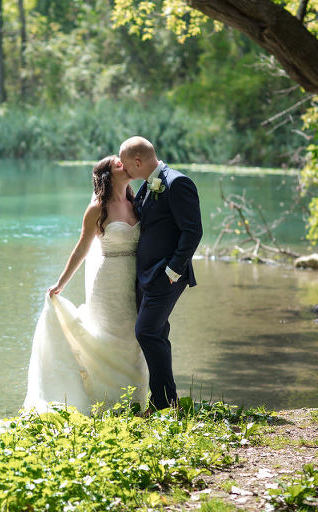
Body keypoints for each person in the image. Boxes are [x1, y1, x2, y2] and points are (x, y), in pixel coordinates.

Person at [23, 155, 149, 414]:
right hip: (108, 281)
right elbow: (82, 248)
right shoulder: (97, 208)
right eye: (118, 163)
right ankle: (105, 399)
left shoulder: (137, 202)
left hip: (135, 280)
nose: (124, 164)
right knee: (110, 338)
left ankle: (135, 402)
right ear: (108, 174)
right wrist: (61, 282)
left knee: (133, 341)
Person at [119, 136, 203, 411]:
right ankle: (167, 402)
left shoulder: (177, 183)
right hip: (148, 275)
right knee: (157, 332)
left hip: (166, 275)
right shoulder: (145, 185)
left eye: (125, 164)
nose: (123, 169)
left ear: (138, 161)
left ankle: (162, 402)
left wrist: (172, 271)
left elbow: (193, 231)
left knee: (146, 332)